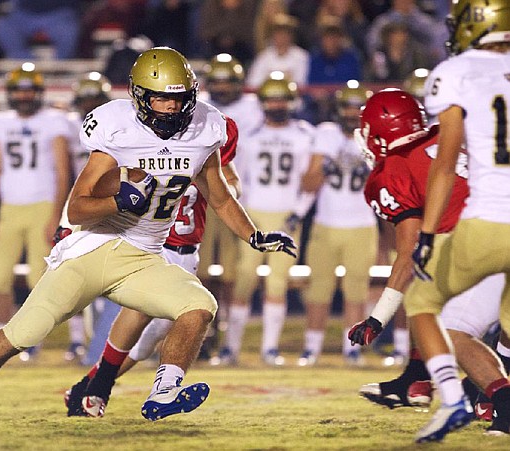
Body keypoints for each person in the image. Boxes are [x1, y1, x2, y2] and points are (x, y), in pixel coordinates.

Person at [0, 46, 295, 427]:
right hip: (92, 249)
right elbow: (77, 208)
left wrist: (254, 236)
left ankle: (163, 393)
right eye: (162, 100)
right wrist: (118, 200)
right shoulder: (116, 127)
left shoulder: (205, 127)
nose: (172, 109)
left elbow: (220, 195)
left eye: (179, 99)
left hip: (144, 257)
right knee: (22, 333)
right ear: (141, 97)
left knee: (199, 305)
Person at [64, 117, 240, 417]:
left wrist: (218, 192)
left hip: (187, 250)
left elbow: (230, 180)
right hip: (152, 244)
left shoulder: (209, 132)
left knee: (148, 340)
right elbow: (95, 187)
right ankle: (108, 388)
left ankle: (86, 387)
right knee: (141, 311)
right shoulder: (137, 137)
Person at [350, 89, 506, 419]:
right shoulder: (446, 137)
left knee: (447, 329)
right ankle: (418, 383)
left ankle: (499, 403)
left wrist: (378, 318)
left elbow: (408, 253)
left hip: (487, 247)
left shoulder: (393, 169)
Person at [406, 0, 510, 442]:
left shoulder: (459, 70)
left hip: (490, 220)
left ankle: (453, 401)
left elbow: (445, 164)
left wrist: (427, 235)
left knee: (425, 304)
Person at [211, 73, 313, 366]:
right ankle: (230, 347)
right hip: (254, 214)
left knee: (277, 284)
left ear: (291, 101)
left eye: (281, 98)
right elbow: (236, 179)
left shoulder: (304, 135)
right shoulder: (250, 136)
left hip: (286, 216)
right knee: (244, 281)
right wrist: (242, 214)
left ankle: (269, 348)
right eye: (271, 99)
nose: (276, 104)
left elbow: (308, 180)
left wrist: (298, 212)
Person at [0, 63, 71, 331]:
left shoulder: (54, 121)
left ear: (38, 92)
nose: (23, 96)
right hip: (9, 207)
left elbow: (63, 173)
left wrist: (57, 214)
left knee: (38, 277)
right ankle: (0, 334)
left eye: (29, 91)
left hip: (42, 206)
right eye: (19, 92)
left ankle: (34, 335)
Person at [299, 82, 377, 367]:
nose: (352, 113)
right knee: (318, 289)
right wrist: (325, 165)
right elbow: (308, 183)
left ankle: (352, 349)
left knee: (357, 291)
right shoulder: (327, 134)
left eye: (358, 107)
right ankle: (311, 348)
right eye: (347, 107)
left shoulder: (376, 138)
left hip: (362, 224)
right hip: (326, 223)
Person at [198, 53, 264, 360]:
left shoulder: (253, 110)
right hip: (202, 197)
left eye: (228, 81)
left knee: (231, 275)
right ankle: (203, 331)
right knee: (197, 270)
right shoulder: (199, 108)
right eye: (218, 81)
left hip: (236, 198)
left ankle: (229, 339)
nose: (222, 87)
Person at [62, 72, 113, 362]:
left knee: (105, 274)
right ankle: (78, 341)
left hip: (106, 206)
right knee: (74, 273)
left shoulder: (115, 126)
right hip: (78, 205)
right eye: (86, 99)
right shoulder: (68, 126)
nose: (90, 105)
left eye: (96, 99)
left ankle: (102, 344)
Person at [246, 13, 309, 90]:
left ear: (291, 35)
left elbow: (301, 83)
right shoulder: (264, 56)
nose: (282, 37)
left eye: (285, 33)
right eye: (278, 33)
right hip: (266, 98)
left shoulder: (301, 56)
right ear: (272, 35)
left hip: (292, 99)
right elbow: (253, 83)